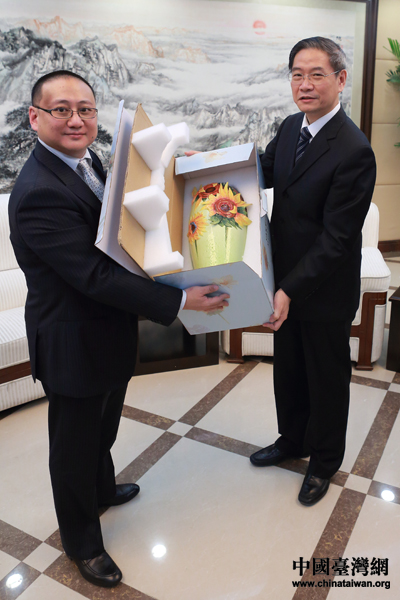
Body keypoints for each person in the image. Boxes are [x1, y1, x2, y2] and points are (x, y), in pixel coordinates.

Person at [8, 70, 229, 588]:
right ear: (35, 117)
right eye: (61, 110)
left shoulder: (89, 162)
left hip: (107, 330)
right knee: (74, 447)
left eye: (85, 109)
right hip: (72, 340)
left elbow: (119, 226)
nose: (76, 120)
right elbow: (93, 275)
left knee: (103, 427)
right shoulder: (39, 190)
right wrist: (178, 301)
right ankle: (82, 543)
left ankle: (103, 491)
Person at [249, 37, 376, 506]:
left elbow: (337, 240)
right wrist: (207, 170)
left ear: (340, 80)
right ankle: (292, 440)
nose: (305, 84)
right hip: (284, 278)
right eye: (297, 75)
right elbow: (262, 170)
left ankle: (323, 462)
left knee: (325, 379)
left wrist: (289, 290)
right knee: (289, 371)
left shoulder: (354, 149)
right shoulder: (290, 127)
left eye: (316, 74)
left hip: (322, 288)